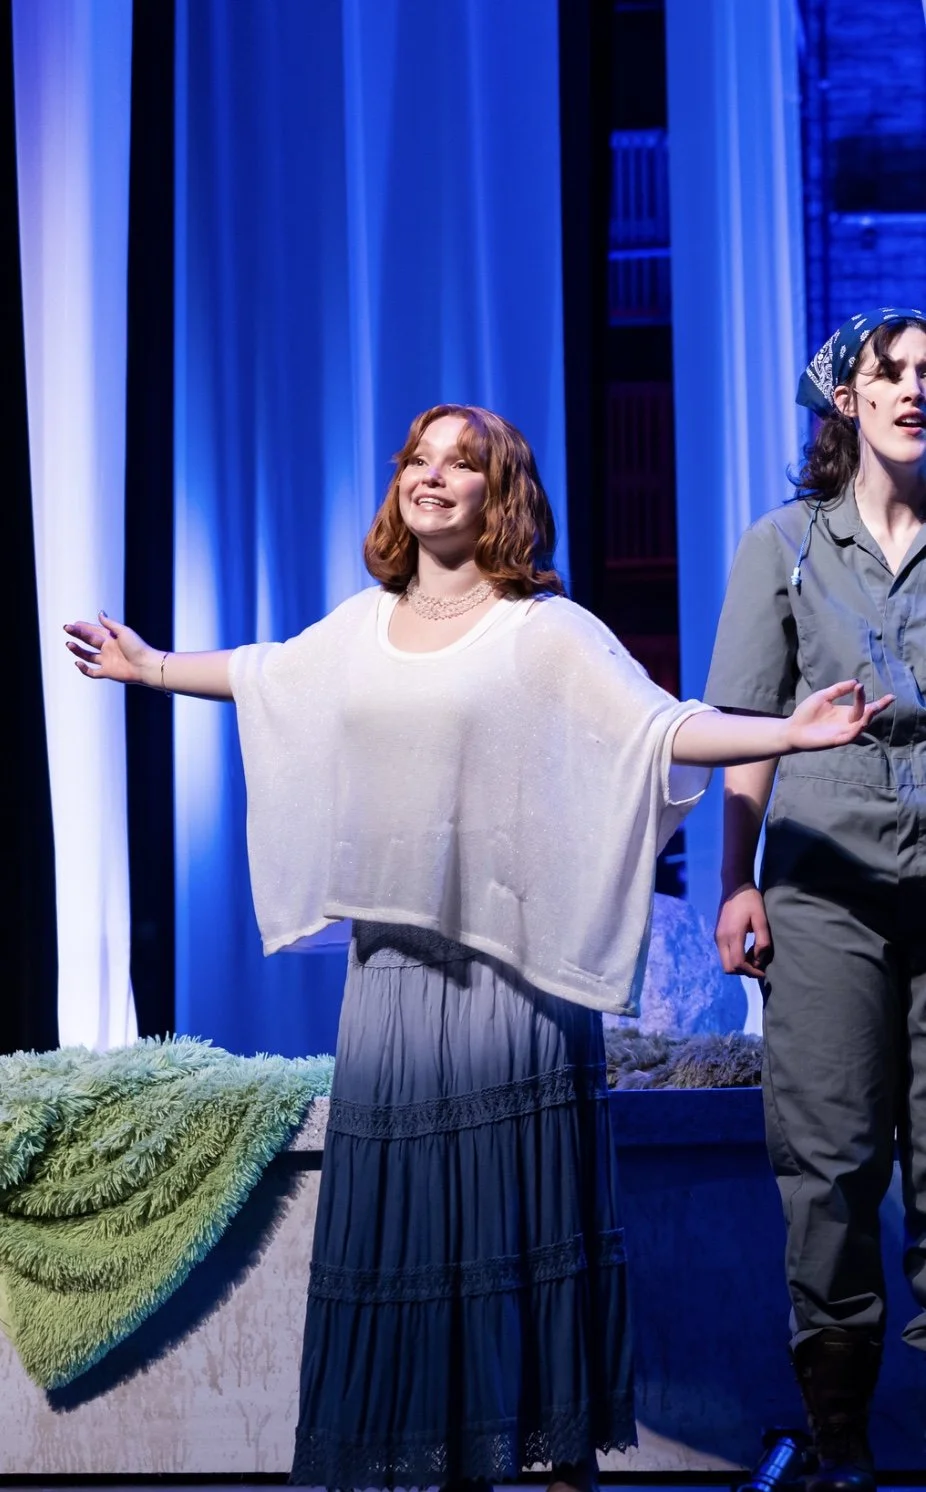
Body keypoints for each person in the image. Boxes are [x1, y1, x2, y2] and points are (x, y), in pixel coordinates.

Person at [64, 404, 890, 1492]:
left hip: (513, 976)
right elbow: (268, 677)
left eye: (459, 463)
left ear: (499, 494)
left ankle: (557, 1465)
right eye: (418, 458)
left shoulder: (543, 630)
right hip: (393, 977)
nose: (431, 475)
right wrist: (154, 666)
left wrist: (786, 731)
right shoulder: (362, 626)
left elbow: (660, 730)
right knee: (404, 1227)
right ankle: (437, 1458)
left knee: (517, 1216)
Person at [705, 308, 926, 1491]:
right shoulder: (783, 544)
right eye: (890, 373)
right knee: (830, 1156)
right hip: (826, 880)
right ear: (847, 398)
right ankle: (838, 1441)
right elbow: (747, 729)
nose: (912, 389)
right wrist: (733, 880)